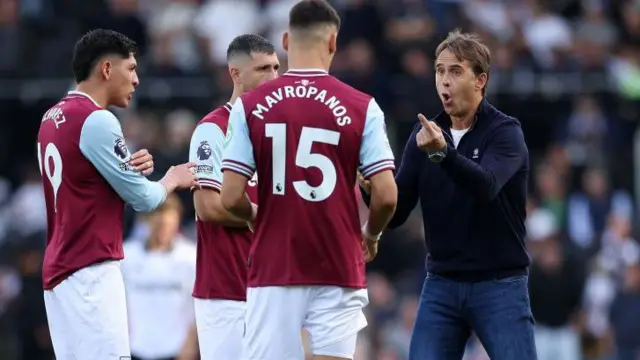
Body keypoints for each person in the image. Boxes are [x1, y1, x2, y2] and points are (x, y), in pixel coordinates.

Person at [220, 1, 398, 359]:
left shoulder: (250, 105)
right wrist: (372, 235)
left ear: (285, 40)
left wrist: (258, 216)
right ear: (333, 43)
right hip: (338, 262)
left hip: (274, 263)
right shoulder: (363, 106)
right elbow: (386, 195)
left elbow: (230, 197)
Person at [360, 30, 535, 359]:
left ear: (480, 79)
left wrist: (445, 155)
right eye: (439, 71)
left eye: (455, 71)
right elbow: (398, 214)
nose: (444, 80)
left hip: (499, 283)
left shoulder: (505, 132)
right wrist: (370, 190)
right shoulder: (424, 135)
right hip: (442, 283)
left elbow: (486, 187)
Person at [37, 29, 197, 360]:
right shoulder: (97, 119)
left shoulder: (51, 118)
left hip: (61, 269)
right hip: (91, 269)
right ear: (107, 69)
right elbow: (147, 200)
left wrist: (129, 170)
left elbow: (86, 183)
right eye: (132, 68)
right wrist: (172, 178)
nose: (137, 80)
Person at [189, 33, 279, 360]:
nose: (273, 78)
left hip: (275, 289)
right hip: (226, 291)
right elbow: (209, 206)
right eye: (263, 69)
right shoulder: (213, 129)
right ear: (235, 74)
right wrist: (266, 216)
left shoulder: (279, 132)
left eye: (276, 68)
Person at [121, 194, 198, 360]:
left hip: (177, 352)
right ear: (145, 219)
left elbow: (197, 309)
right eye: (157, 216)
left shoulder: (191, 258)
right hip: (135, 350)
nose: (162, 223)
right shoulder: (126, 256)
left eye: (169, 216)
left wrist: (191, 344)